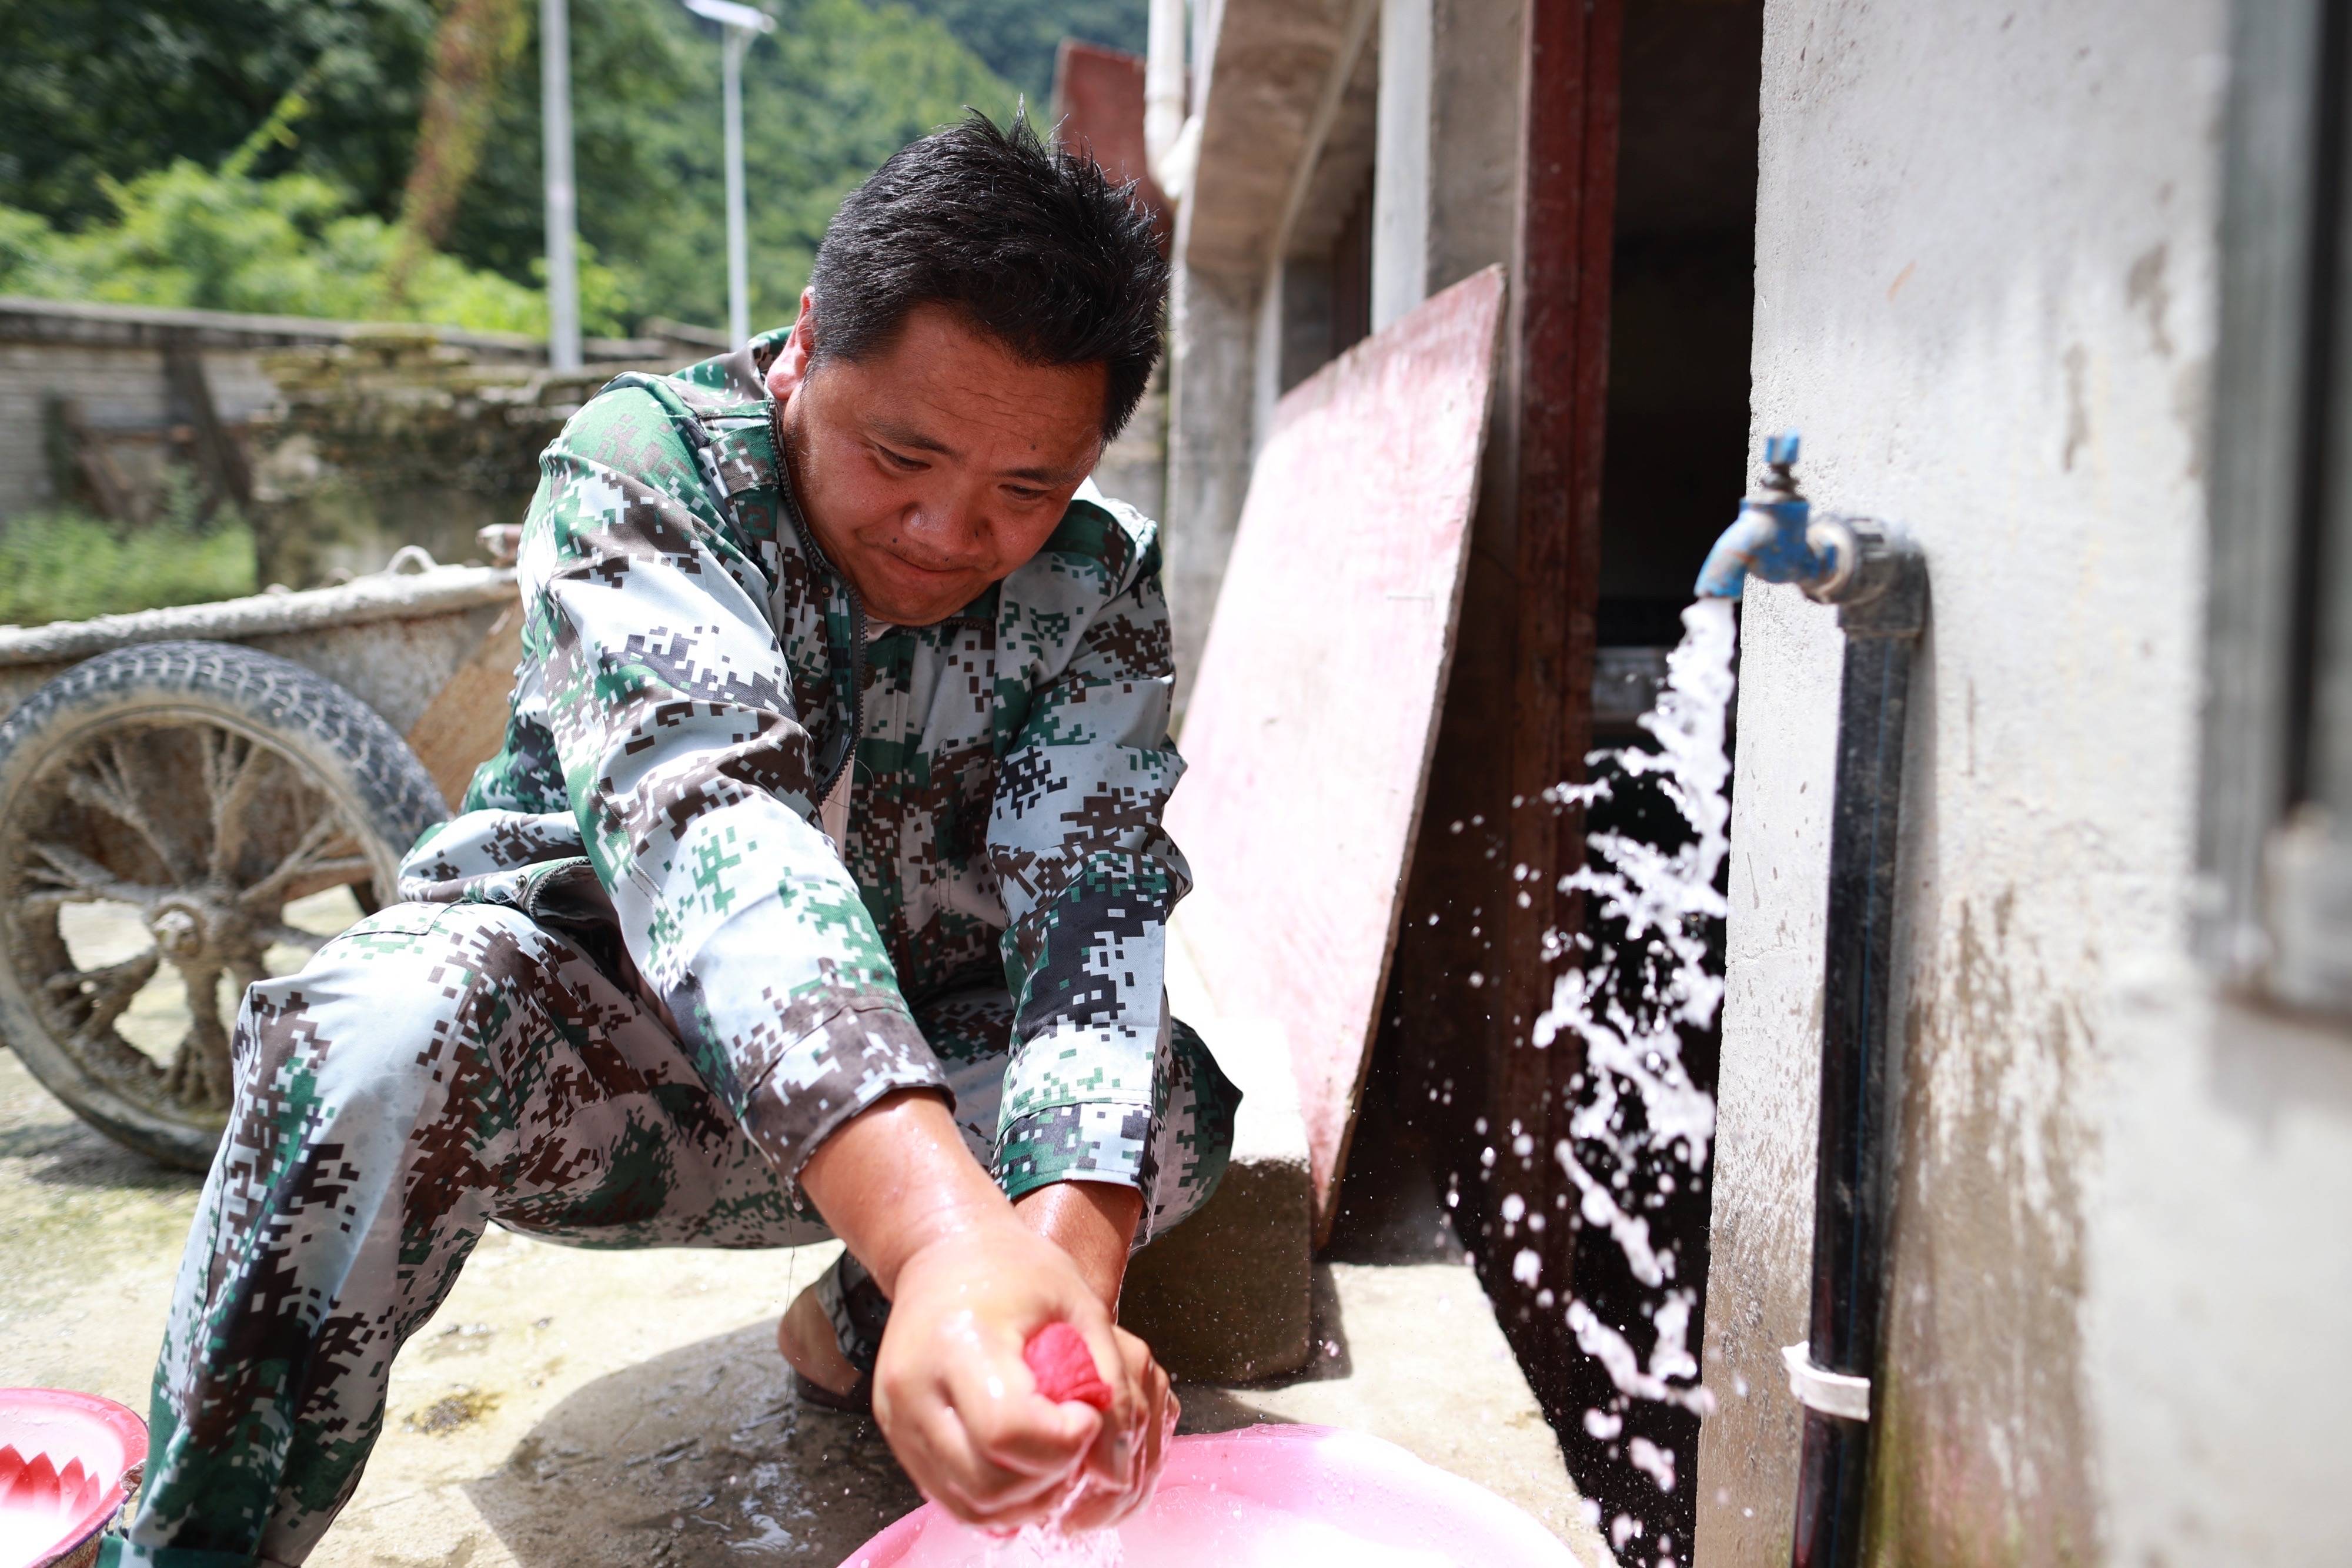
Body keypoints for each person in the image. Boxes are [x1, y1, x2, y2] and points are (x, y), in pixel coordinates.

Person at [105, 112, 1238, 1568]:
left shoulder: (1095, 579)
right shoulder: (648, 468)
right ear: (806, 345)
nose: (949, 529)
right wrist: (947, 1236)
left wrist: (1063, 1280)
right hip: (594, 1073)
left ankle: (871, 1337)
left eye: (1027, 488)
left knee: (1158, 1103)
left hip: (902, 1111)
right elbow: (711, 831)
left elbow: (1091, 909)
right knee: (375, 1031)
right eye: (902, 453)